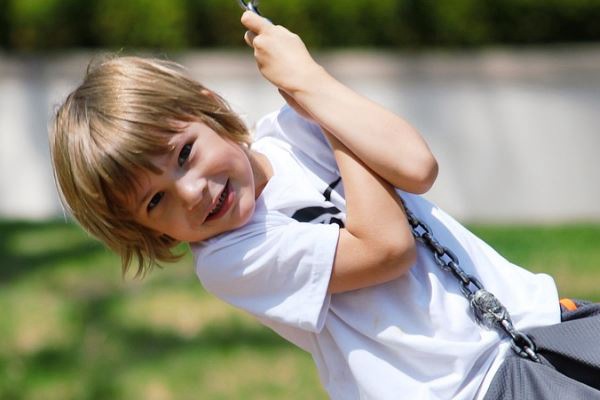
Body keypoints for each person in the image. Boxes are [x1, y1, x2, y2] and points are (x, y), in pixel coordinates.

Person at [51, 10, 593, 400]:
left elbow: (416, 166)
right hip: (467, 389)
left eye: (185, 154)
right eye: (156, 201)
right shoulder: (232, 258)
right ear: (153, 232)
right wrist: (321, 106)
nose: (190, 191)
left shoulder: (292, 127)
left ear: (210, 109)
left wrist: (311, 85)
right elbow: (386, 248)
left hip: (541, 324)